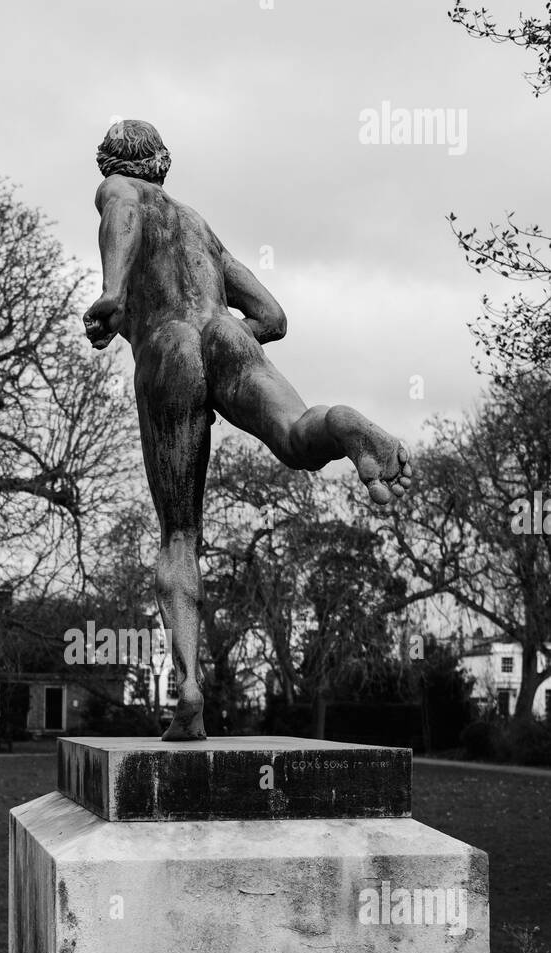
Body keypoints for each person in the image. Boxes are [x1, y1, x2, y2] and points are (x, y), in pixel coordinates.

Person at [84, 120, 411, 740]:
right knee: (297, 438)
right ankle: (342, 424)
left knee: (179, 534)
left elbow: (122, 210)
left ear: (111, 165)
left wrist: (111, 292)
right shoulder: (199, 227)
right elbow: (274, 317)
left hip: (170, 352)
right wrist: (219, 344)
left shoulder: (119, 192)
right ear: (164, 162)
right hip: (225, 335)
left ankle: (187, 694)